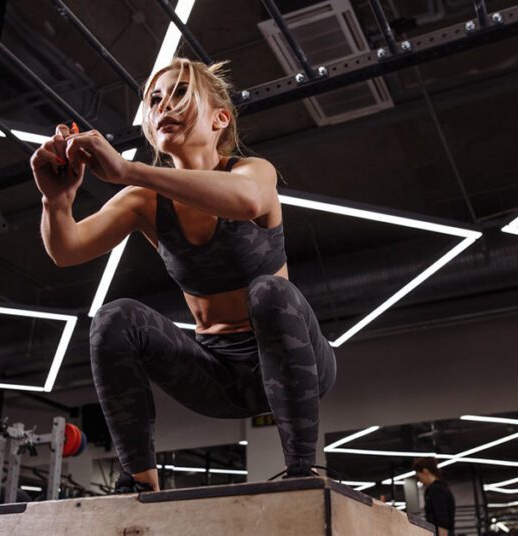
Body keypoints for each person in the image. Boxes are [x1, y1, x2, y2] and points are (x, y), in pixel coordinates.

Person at [30, 57, 336, 493]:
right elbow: (67, 250)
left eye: (178, 93)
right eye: (154, 100)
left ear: (220, 118)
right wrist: (55, 201)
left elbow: (248, 201)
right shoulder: (144, 200)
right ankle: (139, 481)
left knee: (269, 291)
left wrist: (127, 169)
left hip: (297, 365)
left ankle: (302, 473)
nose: (163, 105)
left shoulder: (252, 171)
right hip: (217, 377)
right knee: (114, 317)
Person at [414, 457, 456, 536]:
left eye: (419, 477)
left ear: (425, 472)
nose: (420, 480)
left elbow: (442, 522)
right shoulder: (442, 488)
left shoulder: (435, 490)